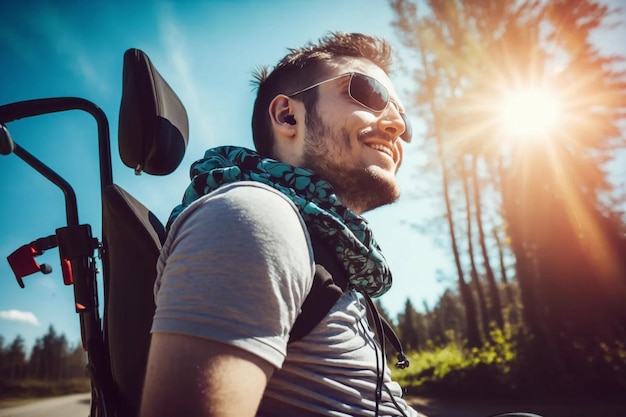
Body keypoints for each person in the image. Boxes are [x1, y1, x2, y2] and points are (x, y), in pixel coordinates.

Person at [139, 32, 420, 417]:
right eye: (368, 94)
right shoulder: (252, 216)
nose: (396, 126)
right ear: (288, 116)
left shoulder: (321, 241)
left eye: (405, 120)